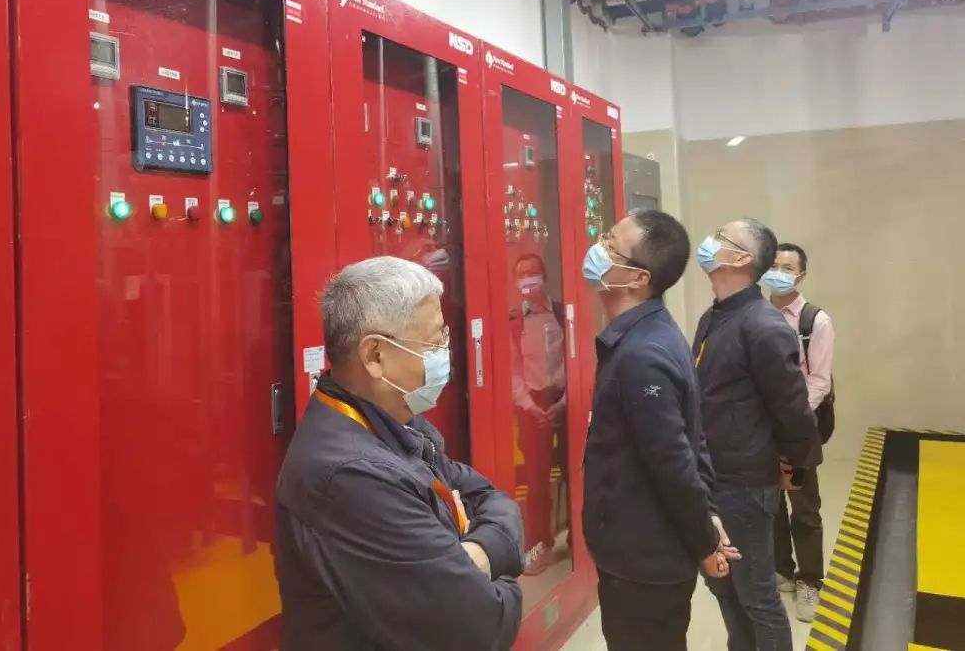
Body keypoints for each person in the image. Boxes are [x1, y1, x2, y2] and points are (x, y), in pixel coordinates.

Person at [276, 256, 524, 651]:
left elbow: (490, 496)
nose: (445, 353)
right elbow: (482, 624)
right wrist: (498, 566)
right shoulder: (351, 476)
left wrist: (479, 553)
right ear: (375, 355)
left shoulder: (396, 424)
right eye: (434, 342)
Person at [582, 210, 741, 651]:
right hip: (646, 551)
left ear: (638, 278)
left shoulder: (642, 355)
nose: (597, 250)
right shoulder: (653, 333)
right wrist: (709, 516)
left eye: (610, 246)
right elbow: (692, 437)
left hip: (643, 559)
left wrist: (705, 542)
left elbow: (672, 465)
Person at [693, 219, 817, 650]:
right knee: (723, 585)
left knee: (757, 595)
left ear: (742, 259)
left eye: (720, 238)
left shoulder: (763, 326)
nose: (709, 243)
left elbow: (793, 411)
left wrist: (796, 466)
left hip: (743, 486)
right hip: (712, 478)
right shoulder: (714, 316)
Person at [763, 243, 835, 622]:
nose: (778, 273)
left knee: (804, 507)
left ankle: (810, 580)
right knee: (771, 502)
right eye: (774, 265)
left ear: (801, 275)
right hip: (760, 430)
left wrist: (789, 419)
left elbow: (819, 380)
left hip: (798, 429)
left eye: (787, 268)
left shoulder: (815, 322)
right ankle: (782, 569)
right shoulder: (755, 316)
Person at [509, 253, 567, 575]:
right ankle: (541, 544)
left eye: (531, 272)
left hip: (564, 400)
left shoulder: (561, 312)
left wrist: (563, 404)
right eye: (521, 274)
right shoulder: (514, 319)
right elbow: (513, 370)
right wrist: (531, 407)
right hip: (531, 404)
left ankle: (578, 539)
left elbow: (575, 359)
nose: (527, 279)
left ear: (543, 276)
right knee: (536, 479)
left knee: (575, 470)